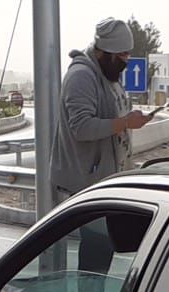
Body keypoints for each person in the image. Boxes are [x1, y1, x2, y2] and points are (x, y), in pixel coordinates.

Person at [51, 17, 151, 202]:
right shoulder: (81, 76)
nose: (127, 60)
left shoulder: (109, 74)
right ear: (105, 52)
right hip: (85, 190)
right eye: (122, 54)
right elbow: (81, 128)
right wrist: (126, 122)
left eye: (127, 54)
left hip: (107, 184)